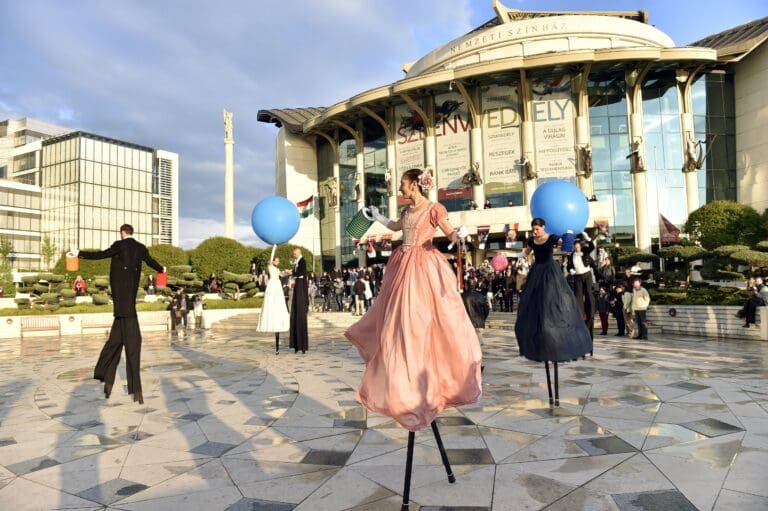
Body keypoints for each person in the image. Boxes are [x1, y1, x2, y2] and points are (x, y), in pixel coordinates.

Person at [345, 168, 482, 432]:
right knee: (396, 319)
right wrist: (378, 217)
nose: (400, 188)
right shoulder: (407, 211)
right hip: (402, 265)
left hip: (422, 266)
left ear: (415, 185)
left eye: (403, 184)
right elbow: (397, 228)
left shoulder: (434, 208)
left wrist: (459, 235)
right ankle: (402, 375)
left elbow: (449, 232)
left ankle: (428, 371)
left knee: (419, 317)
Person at [70, 224, 164, 404]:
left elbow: (100, 255)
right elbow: (151, 262)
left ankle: (104, 374)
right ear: (132, 233)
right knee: (123, 340)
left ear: (122, 233)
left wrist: (79, 253)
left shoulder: (119, 246)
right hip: (129, 299)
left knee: (119, 341)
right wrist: (162, 270)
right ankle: (126, 385)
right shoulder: (140, 248)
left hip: (121, 300)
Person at [514, 218, 593, 363]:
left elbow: (566, 247)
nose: (535, 232)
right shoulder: (532, 240)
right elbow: (525, 253)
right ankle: (541, 344)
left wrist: (569, 236)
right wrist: (511, 255)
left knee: (551, 301)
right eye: (533, 229)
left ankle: (560, 340)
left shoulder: (552, 238)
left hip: (550, 272)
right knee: (534, 305)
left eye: (537, 229)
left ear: (543, 227)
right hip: (536, 271)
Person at [256, 256, 290, 353]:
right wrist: (274, 248)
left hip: (277, 284)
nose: (278, 262)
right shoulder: (270, 266)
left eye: (279, 260)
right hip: (273, 284)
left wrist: (287, 272)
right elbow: (269, 260)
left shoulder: (277, 269)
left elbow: (281, 274)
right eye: (277, 260)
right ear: (274, 261)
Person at [567, 232, 597, 339]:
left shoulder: (585, 251)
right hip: (578, 276)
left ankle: (591, 308)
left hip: (587, 274)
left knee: (588, 292)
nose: (577, 248)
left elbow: (592, 246)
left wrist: (588, 238)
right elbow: (569, 265)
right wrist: (570, 270)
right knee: (578, 295)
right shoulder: (571, 255)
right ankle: (580, 311)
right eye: (576, 247)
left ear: (580, 246)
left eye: (578, 247)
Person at [289, 247, 309, 353]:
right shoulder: (297, 262)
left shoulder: (302, 261)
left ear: (298, 253)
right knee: (295, 313)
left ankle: (302, 345)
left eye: (294, 253)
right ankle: (296, 345)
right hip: (298, 287)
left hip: (301, 287)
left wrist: (291, 272)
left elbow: (300, 273)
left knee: (300, 313)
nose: (293, 255)